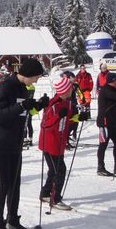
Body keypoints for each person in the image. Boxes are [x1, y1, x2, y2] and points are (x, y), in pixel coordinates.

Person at [0, 58, 49, 229]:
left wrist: (37, 106)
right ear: (27, 73)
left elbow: (22, 112)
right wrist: (20, 106)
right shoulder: (4, 87)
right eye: (35, 77)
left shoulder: (23, 88)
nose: (36, 81)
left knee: (15, 184)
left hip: (15, 142)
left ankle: (12, 220)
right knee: (3, 184)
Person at [38, 77, 84, 211]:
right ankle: (55, 199)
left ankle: (45, 193)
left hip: (59, 142)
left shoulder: (67, 102)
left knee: (54, 170)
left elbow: (67, 118)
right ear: (64, 91)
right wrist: (58, 116)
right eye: (70, 88)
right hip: (50, 144)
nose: (72, 90)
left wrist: (78, 118)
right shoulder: (53, 104)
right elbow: (45, 124)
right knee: (60, 171)